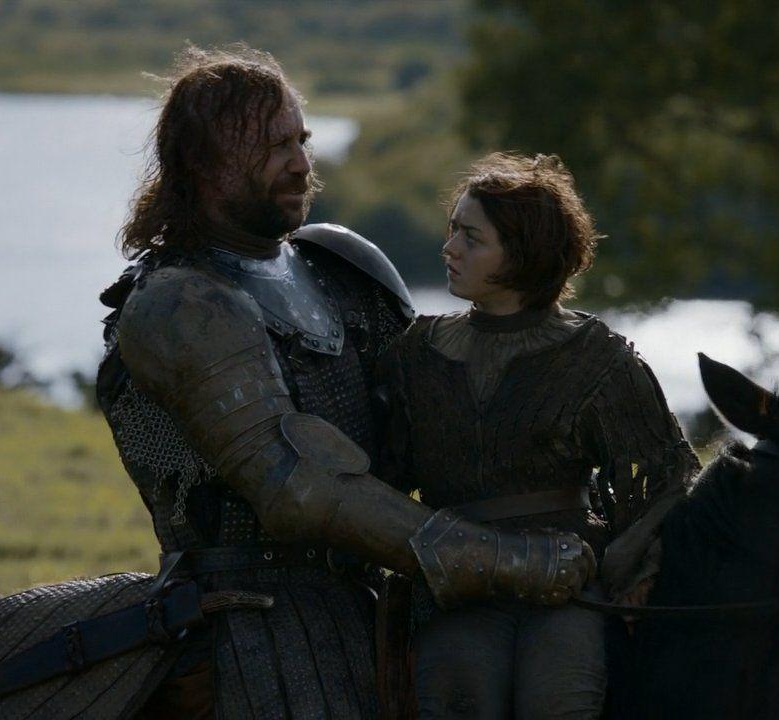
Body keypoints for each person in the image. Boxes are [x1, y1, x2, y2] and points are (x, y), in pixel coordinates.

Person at [93, 47, 593, 719]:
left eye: (301, 140)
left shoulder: (340, 265)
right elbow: (297, 491)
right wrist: (504, 559)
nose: (302, 163)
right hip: (248, 622)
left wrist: (570, 472)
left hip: (384, 594)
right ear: (206, 163)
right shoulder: (178, 303)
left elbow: (443, 414)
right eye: (274, 147)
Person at [379, 152, 700, 719]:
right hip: (456, 587)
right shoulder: (415, 354)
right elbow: (382, 478)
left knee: (560, 703)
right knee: (456, 700)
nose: (449, 249)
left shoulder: (596, 357)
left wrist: (633, 572)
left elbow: (666, 478)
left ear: (522, 253)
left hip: (569, 586)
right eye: (452, 230)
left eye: (471, 238)